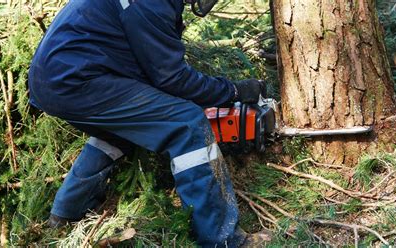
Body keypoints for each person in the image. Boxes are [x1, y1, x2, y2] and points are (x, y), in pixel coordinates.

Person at [28, 0, 269, 247]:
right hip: (78, 80)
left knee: (118, 134)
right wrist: (233, 91)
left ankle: (66, 213)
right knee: (187, 124)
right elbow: (171, 77)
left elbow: (153, 65)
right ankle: (220, 238)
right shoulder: (151, 2)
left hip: (54, 80)